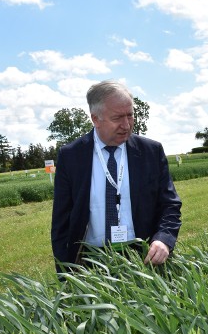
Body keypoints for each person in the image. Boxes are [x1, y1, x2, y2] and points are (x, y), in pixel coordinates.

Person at [51, 80, 182, 272]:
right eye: (117, 118)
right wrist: (65, 273)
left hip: (145, 257)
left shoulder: (150, 152)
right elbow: (61, 222)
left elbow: (170, 205)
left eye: (130, 115)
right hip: (91, 261)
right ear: (95, 119)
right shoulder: (71, 156)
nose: (126, 124)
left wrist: (164, 239)